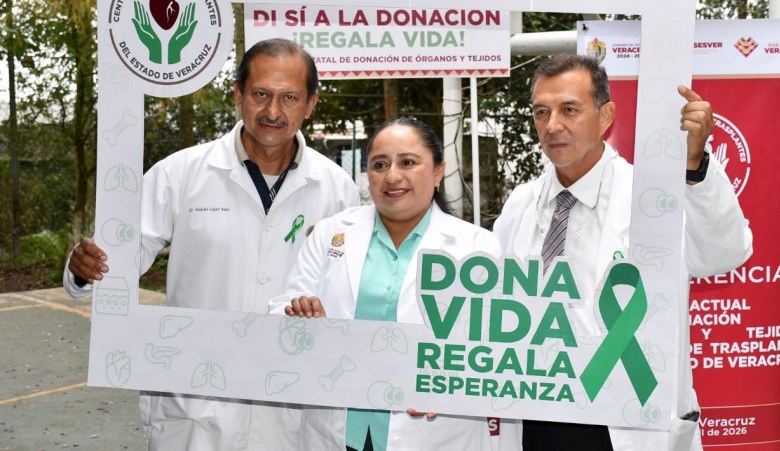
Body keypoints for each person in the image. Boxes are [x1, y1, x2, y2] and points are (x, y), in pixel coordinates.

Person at [64, 38, 361, 450]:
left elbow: (351, 292)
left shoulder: (338, 190)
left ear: (310, 104)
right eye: (260, 94)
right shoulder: (180, 173)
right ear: (238, 94)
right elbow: (115, 257)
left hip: (292, 403)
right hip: (196, 402)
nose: (273, 111)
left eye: (289, 97)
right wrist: (84, 269)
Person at [493, 54, 753, 451]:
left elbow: (725, 253)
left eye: (569, 110)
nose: (552, 125)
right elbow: (493, 308)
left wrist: (695, 166)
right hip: (536, 415)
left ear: (606, 116)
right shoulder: (520, 204)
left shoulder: (650, 197)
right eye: (541, 112)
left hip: (622, 423)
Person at [270, 118, 521, 451]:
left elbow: (497, 346)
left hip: (430, 433)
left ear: (438, 171)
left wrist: (455, 388)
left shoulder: (477, 247)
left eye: (408, 162)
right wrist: (299, 316)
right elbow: (281, 311)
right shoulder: (331, 233)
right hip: (336, 429)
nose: (392, 176)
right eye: (379, 165)